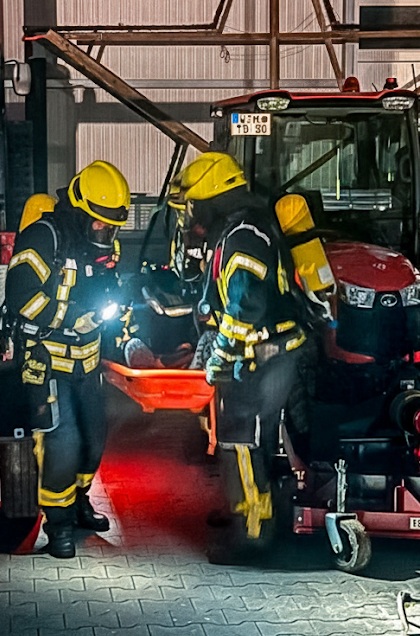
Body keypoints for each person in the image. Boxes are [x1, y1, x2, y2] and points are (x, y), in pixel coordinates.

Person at [167, 152, 307, 552]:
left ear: (212, 199)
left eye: (192, 206)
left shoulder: (241, 237)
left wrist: (221, 357)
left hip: (263, 352)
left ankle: (252, 529)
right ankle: (250, 511)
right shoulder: (243, 227)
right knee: (249, 436)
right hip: (269, 349)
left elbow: (246, 306)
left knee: (240, 437)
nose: (190, 218)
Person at [5, 160, 130, 558]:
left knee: (93, 441)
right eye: (98, 224)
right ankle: (56, 525)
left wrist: (118, 314)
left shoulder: (106, 245)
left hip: (87, 365)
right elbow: (21, 295)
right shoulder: (45, 237)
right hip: (47, 364)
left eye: (110, 227)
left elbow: (107, 289)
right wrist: (70, 317)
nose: (104, 233)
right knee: (62, 444)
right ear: (79, 211)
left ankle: (77, 502)